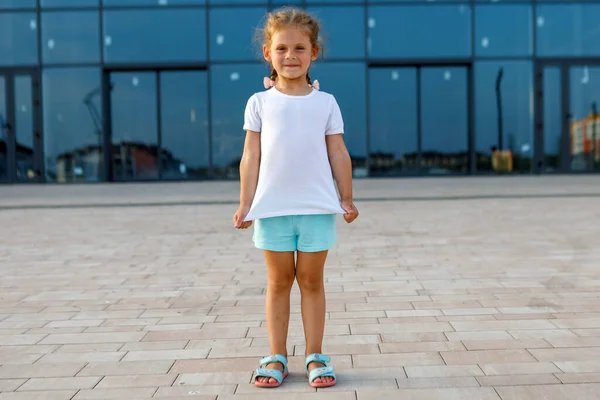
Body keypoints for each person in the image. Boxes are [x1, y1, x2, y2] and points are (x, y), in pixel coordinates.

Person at [232, 6, 359, 389]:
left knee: (312, 281)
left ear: (314, 53)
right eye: (282, 48)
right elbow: (250, 157)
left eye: (300, 48)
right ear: (268, 53)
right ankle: (276, 356)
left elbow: (338, 152)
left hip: (317, 209)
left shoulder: (326, 103)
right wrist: (245, 203)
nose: (291, 56)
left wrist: (347, 197)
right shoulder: (259, 103)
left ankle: (316, 356)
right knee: (278, 282)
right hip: (272, 209)